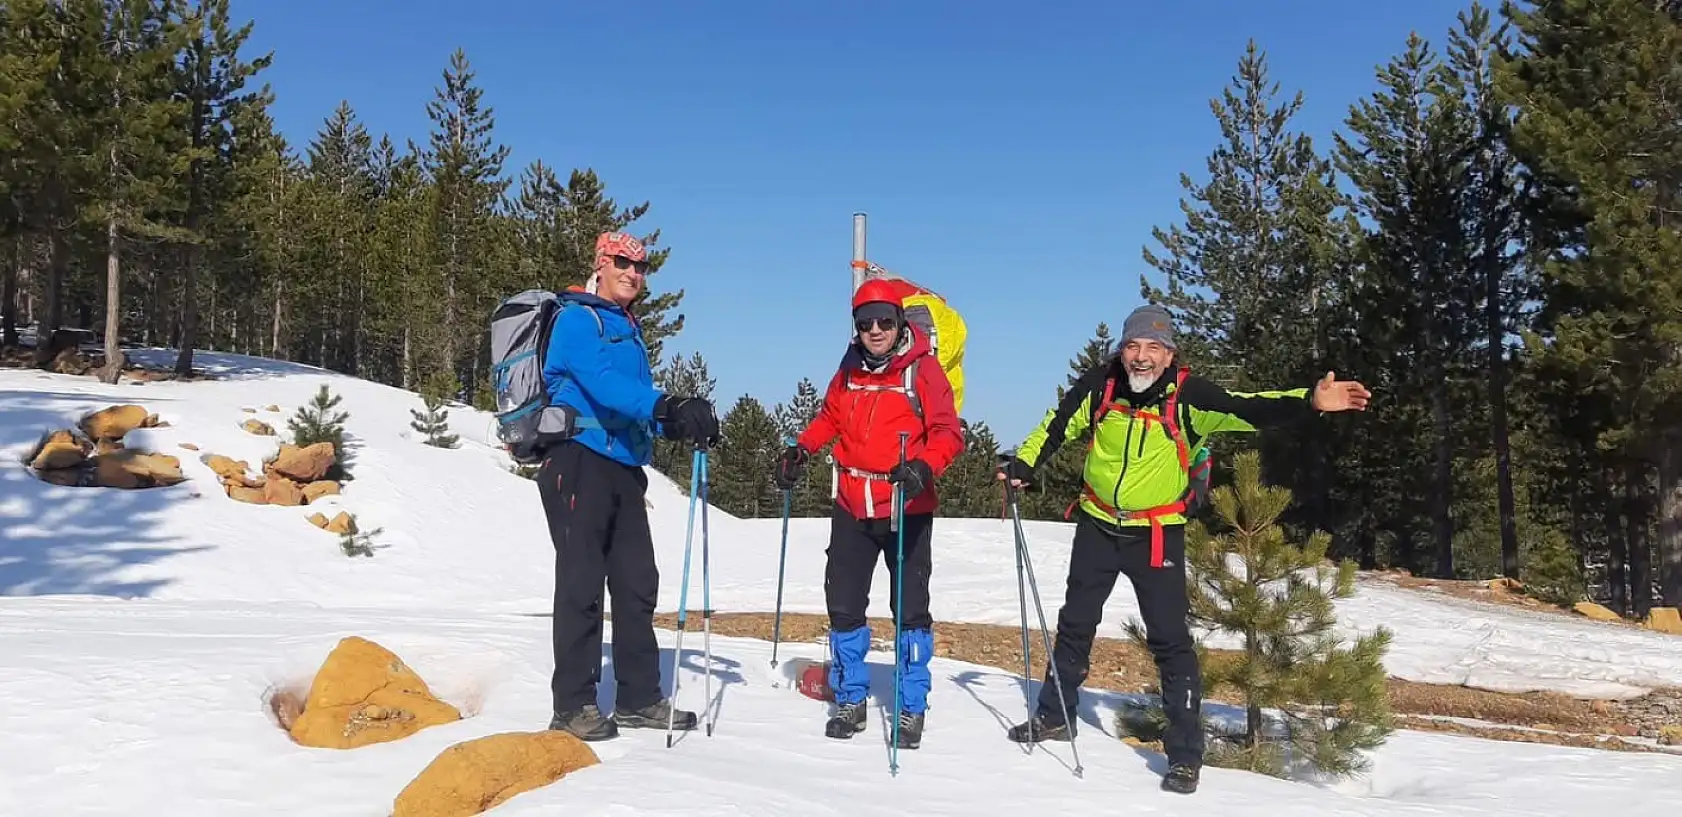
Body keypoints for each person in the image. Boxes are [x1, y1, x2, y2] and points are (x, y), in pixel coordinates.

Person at [996, 303, 1371, 794]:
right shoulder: (1100, 385)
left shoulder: (1190, 397)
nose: (1142, 357)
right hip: (1097, 525)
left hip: (1156, 534)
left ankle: (1185, 756)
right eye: (1133, 346)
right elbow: (1057, 423)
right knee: (1075, 624)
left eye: (1154, 348)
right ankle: (1054, 716)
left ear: (1170, 355)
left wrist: (1309, 401)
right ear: (1122, 350)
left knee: (1170, 641)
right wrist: (1023, 464)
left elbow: (1248, 408)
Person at [538, 231, 720, 741]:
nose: (633, 273)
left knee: (638, 583)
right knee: (581, 583)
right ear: (601, 263)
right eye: (623, 263)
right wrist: (664, 405)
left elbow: (632, 401)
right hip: (577, 461)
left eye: (641, 267)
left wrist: (675, 422)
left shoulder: (626, 327)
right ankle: (572, 704)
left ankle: (639, 698)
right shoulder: (577, 319)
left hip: (621, 466)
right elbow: (602, 385)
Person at [773, 279, 966, 748]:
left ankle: (911, 705)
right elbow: (830, 418)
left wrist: (924, 465)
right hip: (852, 502)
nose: (875, 330)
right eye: (865, 323)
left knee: (910, 610)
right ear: (856, 327)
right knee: (843, 603)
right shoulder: (849, 369)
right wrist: (802, 449)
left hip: (906, 504)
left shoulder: (923, 371)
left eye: (884, 320)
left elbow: (948, 431)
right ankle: (851, 697)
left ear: (899, 321)